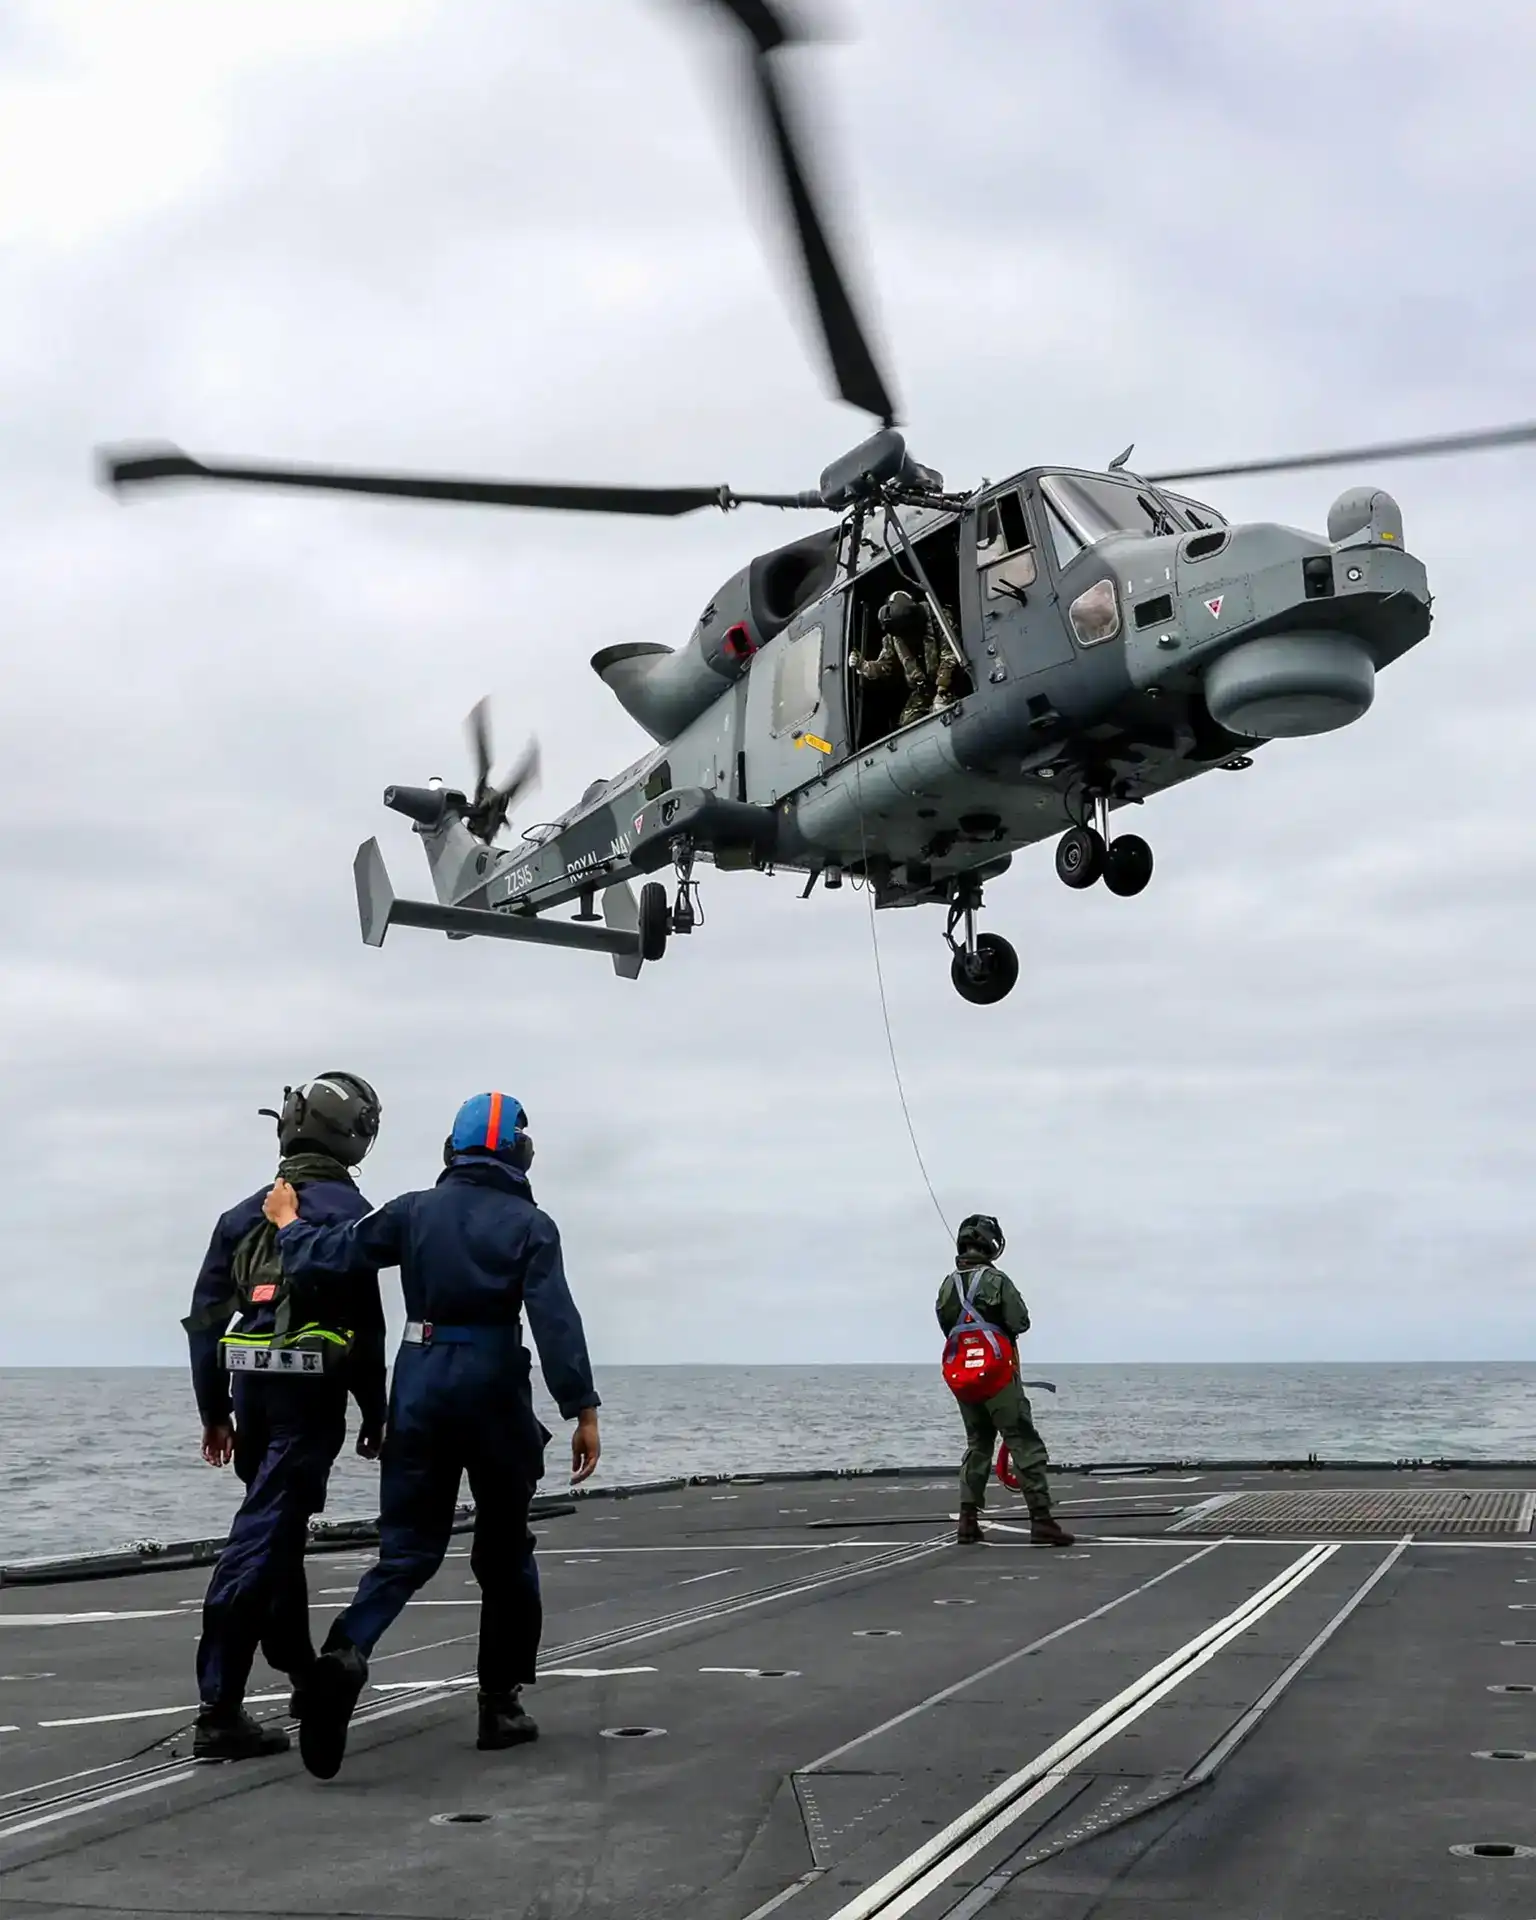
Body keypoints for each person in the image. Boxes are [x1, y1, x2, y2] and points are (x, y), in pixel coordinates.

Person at [261, 1090, 602, 1781]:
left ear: (453, 1152)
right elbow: (555, 1320)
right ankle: (499, 1707)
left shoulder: (413, 1211)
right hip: (495, 1388)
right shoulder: (532, 1226)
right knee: (506, 1554)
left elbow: (333, 1255)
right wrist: (582, 1409)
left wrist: (291, 1225)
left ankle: (343, 1655)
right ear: (521, 1155)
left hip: (419, 1385)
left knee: (406, 1552)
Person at [184, 1072, 386, 1761]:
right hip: (308, 1399)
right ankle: (219, 1709)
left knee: (278, 1529)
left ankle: (301, 1672)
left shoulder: (241, 1214)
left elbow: (206, 1323)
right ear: (356, 1135)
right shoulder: (351, 1213)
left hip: (249, 1396)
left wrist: (215, 1412)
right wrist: (376, 1411)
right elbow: (366, 1327)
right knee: (264, 1535)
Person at [936, 1213, 1074, 1548]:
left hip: (964, 1377)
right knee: (1022, 1440)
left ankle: (967, 1522)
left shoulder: (946, 1285)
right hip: (998, 1375)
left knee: (977, 1444)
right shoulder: (997, 1281)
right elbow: (1020, 1321)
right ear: (990, 1244)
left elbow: (945, 1324)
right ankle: (1041, 1520)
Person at [852, 587, 960, 730]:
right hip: (924, 690)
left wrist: (942, 692)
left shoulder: (940, 617)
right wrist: (863, 666)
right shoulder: (894, 637)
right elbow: (886, 665)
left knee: (945, 714)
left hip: (950, 681)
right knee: (907, 724)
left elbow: (950, 656)